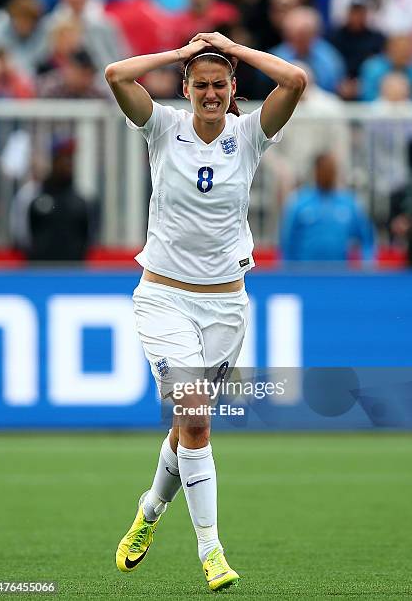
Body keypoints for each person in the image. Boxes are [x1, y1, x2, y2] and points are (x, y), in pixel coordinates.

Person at [105, 31, 306, 591]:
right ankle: (211, 550)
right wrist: (179, 54)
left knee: (186, 425)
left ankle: (147, 512)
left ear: (232, 87)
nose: (211, 94)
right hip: (165, 296)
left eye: (220, 85)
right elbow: (118, 74)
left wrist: (231, 47)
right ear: (187, 89)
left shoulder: (248, 136)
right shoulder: (162, 126)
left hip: (225, 307)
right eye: (201, 85)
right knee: (196, 416)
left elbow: (294, 81)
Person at [280, 152, 375, 262]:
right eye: (323, 169)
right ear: (315, 171)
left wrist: (367, 263)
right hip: (305, 275)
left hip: (339, 274)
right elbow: (286, 243)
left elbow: (367, 238)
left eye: (330, 169)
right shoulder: (299, 204)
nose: (327, 173)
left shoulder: (349, 204)